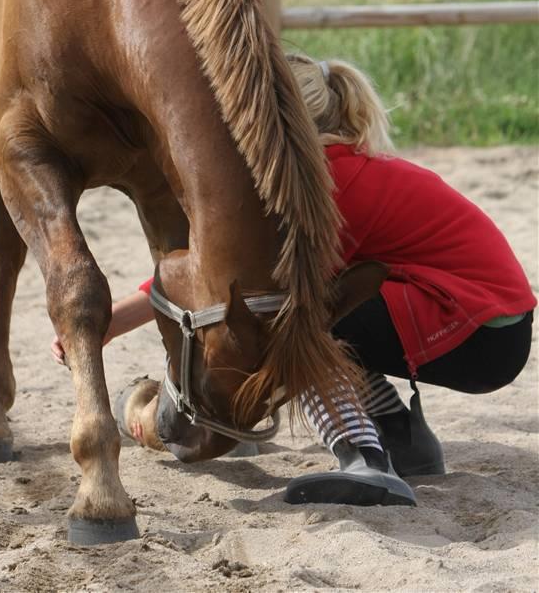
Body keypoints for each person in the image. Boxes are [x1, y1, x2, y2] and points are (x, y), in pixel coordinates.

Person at [52, 53, 536, 506]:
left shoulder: (320, 187)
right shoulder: (347, 169)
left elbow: (228, 283)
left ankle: (364, 459)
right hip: (494, 328)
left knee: (285, 321)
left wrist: (110, 323)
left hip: (475, 327)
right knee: (324, 307)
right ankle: (403, 439)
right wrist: (112, 321)